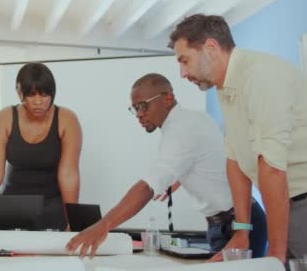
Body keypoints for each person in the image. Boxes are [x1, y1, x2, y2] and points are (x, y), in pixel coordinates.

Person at [169, 13, 307, 270]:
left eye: (185, 61)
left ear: (211, 47)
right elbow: (235, 160)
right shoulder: (225, 88)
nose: (182, 73)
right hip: (289, 207)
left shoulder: (260, 76)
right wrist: (241, 230)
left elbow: (271, 167)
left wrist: (275, 252)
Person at [66, 73, 267, 258]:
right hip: (222, 225)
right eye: (135, 108)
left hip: (241, 225)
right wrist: (181, 176)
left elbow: (146, 187)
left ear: (167, 99)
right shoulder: (192, 119)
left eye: (143, 106)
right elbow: (209, 158)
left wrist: (103, 225)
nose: (138, 114)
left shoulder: (181, 130)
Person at [0, 62, 82, 230]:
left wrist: (71, 221)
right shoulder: (5, 117)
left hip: (52, 206)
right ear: (20, 93)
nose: (38, 102)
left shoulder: (67, 119)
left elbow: (69, 174)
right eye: (31, 95)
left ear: (52, 94)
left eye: (43, 95)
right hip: (11, 205)